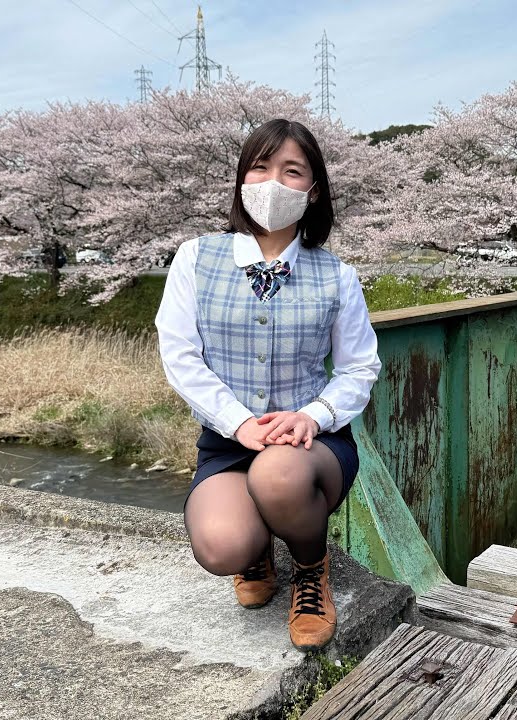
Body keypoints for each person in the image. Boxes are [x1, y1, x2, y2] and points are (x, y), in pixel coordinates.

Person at [154, 119, 382, 651]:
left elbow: (358, 368)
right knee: (221, 546)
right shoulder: (196, 257)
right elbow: (180, 353)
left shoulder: (337, 275)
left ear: (313, 190)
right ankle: (256, 549)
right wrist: (236, 421)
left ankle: (309, 569)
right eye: (260, 166)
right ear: (241, 178)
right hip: (228, 441)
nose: (272, 181)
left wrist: (314, 415)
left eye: (291, 170)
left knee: (278, 475)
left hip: (310, 447)